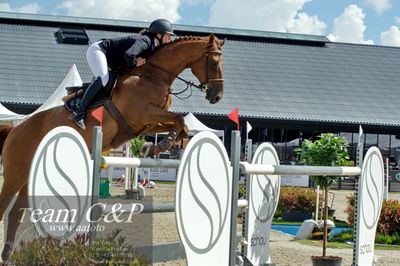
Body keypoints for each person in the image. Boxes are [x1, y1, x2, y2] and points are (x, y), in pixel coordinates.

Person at [70, 18, 175, 129]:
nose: (169, 39)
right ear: (159, 35)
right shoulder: (146, 41)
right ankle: (79, 113)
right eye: (168, 36)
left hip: (112, 61)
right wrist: (135, 63)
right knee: (104, 79)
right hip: (99, 51)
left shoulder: (154, 47)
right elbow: (129, 55)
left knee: (112, 80)